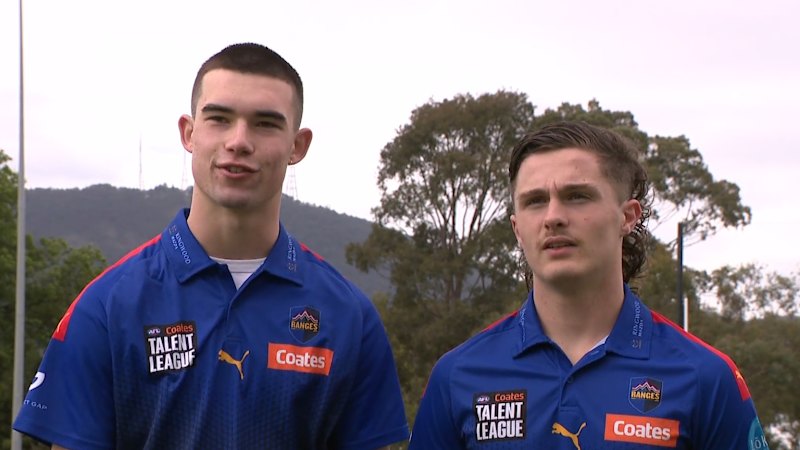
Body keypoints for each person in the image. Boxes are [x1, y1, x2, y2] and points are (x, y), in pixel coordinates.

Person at [13, 43, 409, 450]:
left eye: (266, 124)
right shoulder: (107, 306)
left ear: (298, 145)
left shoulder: (349, 317)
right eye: (219, 118)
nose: (238, 141)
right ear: (189, 133)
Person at [408, 121, 769, 449]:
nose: (553, 218)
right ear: (518, 229)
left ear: (628, 217)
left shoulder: (705, 376)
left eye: (577, 196)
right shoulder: (458, 376)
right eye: (535, 201)